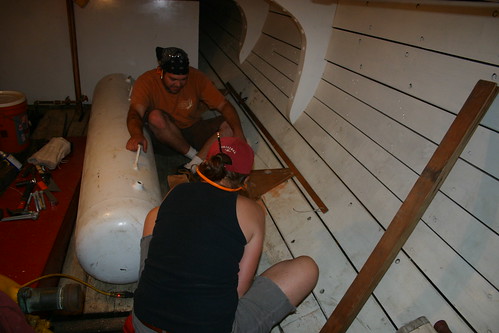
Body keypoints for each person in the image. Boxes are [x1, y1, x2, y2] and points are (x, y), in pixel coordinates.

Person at [131, 136, 319, 333]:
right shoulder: (252, 210)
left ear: (207, 165)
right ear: (245, 180)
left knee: (155, 215)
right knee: (306, 268)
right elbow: (238, 292)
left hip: (144, 322)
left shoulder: (178, 191)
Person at [126, 46, 246, 172]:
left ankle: (193, 165)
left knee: (230, 126)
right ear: (160, 71)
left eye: (183, 80)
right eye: (173, 79)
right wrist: (136, 134)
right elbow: (135, 113)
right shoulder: (146, 81)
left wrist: (239, 133)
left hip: (192, 130)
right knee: (155, 117)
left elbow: (224, 106)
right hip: (165, 140)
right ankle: (196, 157)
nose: (178, 84)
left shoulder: (197, 77)